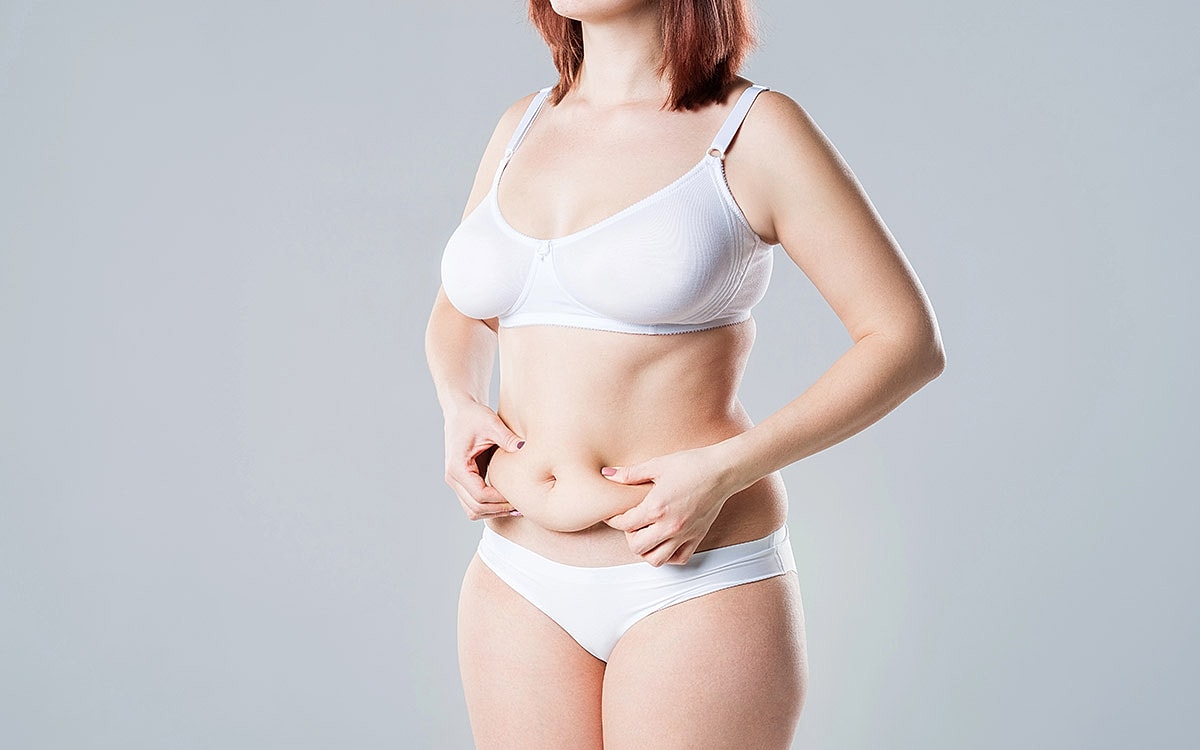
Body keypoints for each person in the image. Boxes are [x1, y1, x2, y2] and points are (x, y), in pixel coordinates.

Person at [425, 0, 945, 746]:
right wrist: (458, 404)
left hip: (692, 580)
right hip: (516, 572)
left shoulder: (752, 130)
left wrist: (726, 469)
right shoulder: (523, 124)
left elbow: (904, 340)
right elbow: (460, 308)